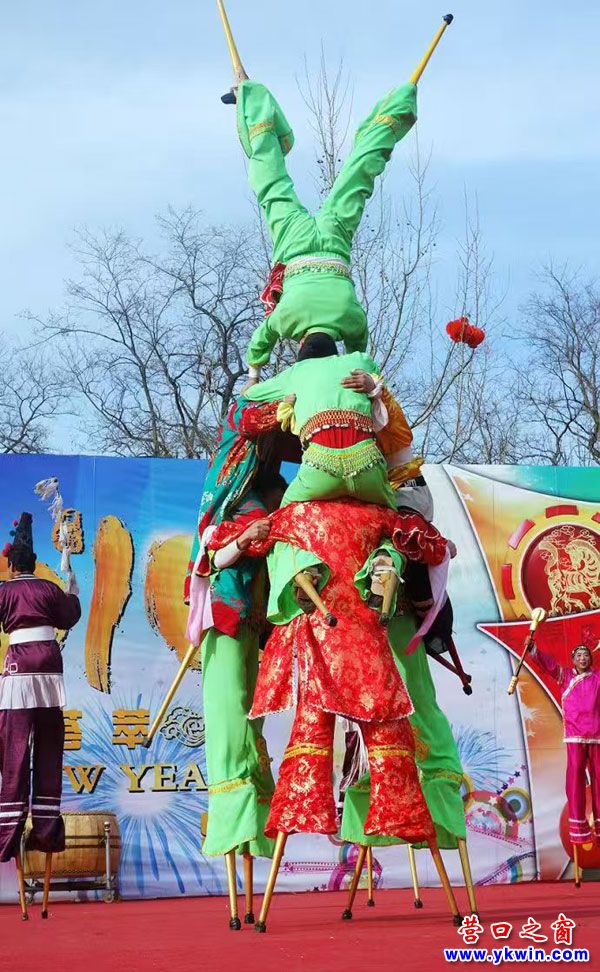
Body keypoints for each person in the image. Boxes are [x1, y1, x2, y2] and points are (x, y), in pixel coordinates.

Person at [236, 79, 417, 379]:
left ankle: (397, 106)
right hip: (294, 244)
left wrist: (357, 375)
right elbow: (259, 343)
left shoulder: (352, 319)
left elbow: (359, 356)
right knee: (271, 186)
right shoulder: (285, 319)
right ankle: (253, 102)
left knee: (356, 179)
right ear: (299, 347)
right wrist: (252, 378)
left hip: (334, 239)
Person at [188, 469, 287, 862]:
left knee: (252, 717)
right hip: (224, 622)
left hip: (250, 627)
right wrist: (245, 537)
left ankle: (255, 820)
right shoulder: (233, 515)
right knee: (231, 717)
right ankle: (233, 817)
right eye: (276, 503)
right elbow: (214, 557)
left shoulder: (276, 532)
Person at [0, 513, 81, 863]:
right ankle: (46, 830)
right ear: (33, 562)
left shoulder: (4, 591)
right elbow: (70, 615)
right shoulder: (48, 589)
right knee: (49, 744)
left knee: (14, 747)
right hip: (49, 666)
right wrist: (71, 587)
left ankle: (8, 832)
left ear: (11, 565)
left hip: (18, 666)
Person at [243, 336, 397, 509]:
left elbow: (249, 393)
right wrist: (372, 384)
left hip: (320, 466)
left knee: (284, 512)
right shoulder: (361, 360)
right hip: (368, 463)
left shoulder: (295, 372)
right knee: (393, 513)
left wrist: (253, 376)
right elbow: (383, 388)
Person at [529, 642, 600, 846]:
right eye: (579, 656)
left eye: (586, 655)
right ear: (573, 660)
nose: (582, 658)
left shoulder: (597, 678)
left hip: (596, 734)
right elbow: (548, 664)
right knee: (575, 776)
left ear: (590, 659)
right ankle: (578, 828)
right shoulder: (565, 675)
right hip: (575, 735)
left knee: (598, 778)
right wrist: (533, 649)